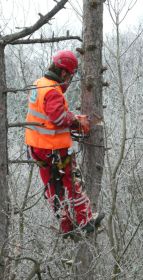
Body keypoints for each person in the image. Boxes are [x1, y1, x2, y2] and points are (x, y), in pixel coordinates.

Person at [25, 50, 104, 237]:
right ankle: (85, 220)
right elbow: (58, 117)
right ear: (63, 73)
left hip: (37, 148)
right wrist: (76, 121)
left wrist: (70, 120)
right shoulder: (53, 91)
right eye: (69, 76)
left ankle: (66, 225)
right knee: (71, 182)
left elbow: (46, 118)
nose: (69, 80)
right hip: (54, 148)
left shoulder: (39, 84)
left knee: (54, 187)